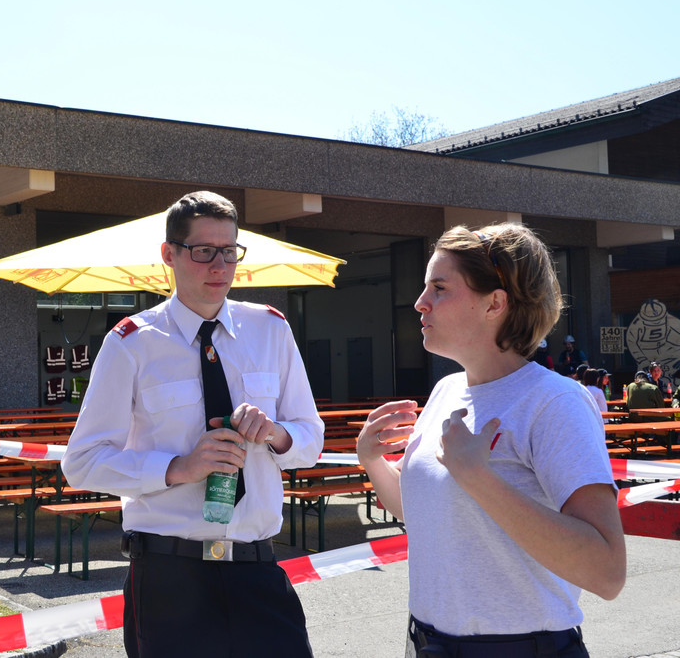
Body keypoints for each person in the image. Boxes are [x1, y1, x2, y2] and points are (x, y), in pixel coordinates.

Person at [62, 191, 324, 658]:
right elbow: (82, 463)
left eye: (229, 251)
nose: (220, 266)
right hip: (169, 579)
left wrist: (275, 433)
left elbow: (310, 439)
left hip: (256, 569)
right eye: (203, 251)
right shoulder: (131, 343)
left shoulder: (271, 330)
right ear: (169, 254)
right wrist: (177, 468)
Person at [356, 223, 625, 657]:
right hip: (426, 643)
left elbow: (607, 573)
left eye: (439, 288)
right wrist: (372, 461)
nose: (420, 302)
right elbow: (422, 510)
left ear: (495, 303)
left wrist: (478, 478)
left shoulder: (555, 402)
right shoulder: (446, 391)